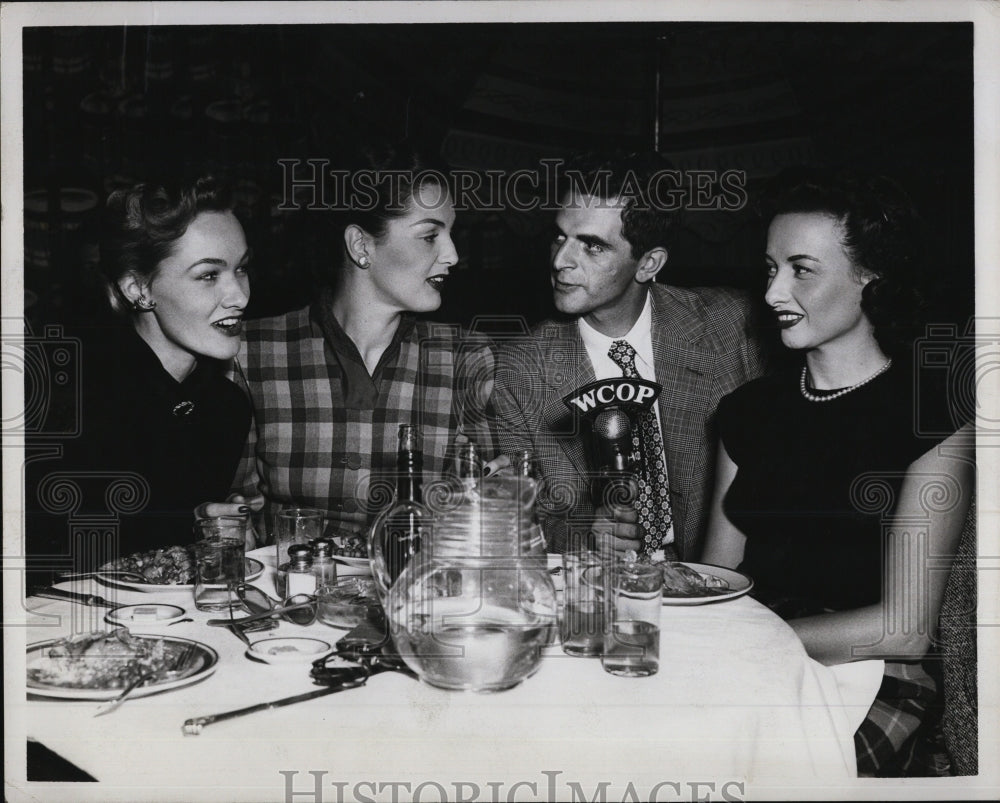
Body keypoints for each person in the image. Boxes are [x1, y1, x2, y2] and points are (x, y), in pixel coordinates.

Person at [701, 168, 974, 776]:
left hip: (871, 668)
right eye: (770, 268)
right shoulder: (747, 411)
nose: (773, 293)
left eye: (801, 269)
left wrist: (745, 643)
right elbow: (714, 582)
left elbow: (904, 628)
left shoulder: (933, 414)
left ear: (870, 276)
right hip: (751, 649)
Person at [487, 152, 764, 558]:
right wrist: (587, 536)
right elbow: (520, 521)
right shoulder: (520, 368)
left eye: (592, 246)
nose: (561, 261)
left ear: (649, 263)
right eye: (560, 237)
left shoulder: (730, 328)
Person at [232, 140, 494, 541]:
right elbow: (238, 512)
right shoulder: (253, 352)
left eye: (451, 234)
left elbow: (489, 516)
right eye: (430, 236)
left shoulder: (466, 359)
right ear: (361, 246)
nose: (453, 255)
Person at [25, 176, 254, 581]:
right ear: (138, 289)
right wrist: (190, 526)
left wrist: (214, 526)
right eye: (208, 275)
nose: (239, 295)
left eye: (241, 269)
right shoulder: (66, 397)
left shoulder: (225, 406)